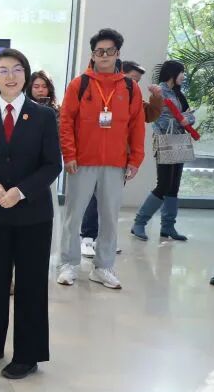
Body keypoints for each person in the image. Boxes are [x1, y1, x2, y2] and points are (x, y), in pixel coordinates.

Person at [0, 48, 61, 379]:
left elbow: (52, 165)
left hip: (33, 214)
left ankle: (27, 355)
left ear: (26, 75)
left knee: (31, 284)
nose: (10, 76)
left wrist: (20, 192)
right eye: (2, 70)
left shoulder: (43, 116)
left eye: (17, 69)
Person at [57, 29, 145, 290]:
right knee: (74, 216)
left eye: (110, 51)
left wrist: (135, 159)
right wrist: (69, 154)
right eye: (99, 51)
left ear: (117, 54)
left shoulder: (130, 88)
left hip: (115, 164)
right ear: (93, 54)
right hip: (82, 162)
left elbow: (137, 126)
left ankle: (103, 267)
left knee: (109, 217)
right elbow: (66, 122)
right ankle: (69, 263)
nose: (104, 55)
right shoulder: (80, 84)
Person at [79, 60, 163, 257]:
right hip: (95, 155)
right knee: (94, 197)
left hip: (119, 158)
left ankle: (104, 240)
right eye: (132, 78)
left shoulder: (132, 96)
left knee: (110, 199)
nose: (135, 83)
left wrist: (157, 98)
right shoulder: (97, 92)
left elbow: (149, 115)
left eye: (138, 81)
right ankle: (87, 238)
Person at [131, 60, 194, 241]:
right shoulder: (159, 91)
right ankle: (139, 223)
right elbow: (157, 117)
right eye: (181, 72)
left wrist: (186, 119)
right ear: (172, 73)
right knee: (164, 184)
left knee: (174, 186)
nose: (183, 76)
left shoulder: (178, 93)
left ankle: (168, 227)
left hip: (179, 140)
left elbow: (190, 114)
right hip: (165, 141)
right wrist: (180, 120)